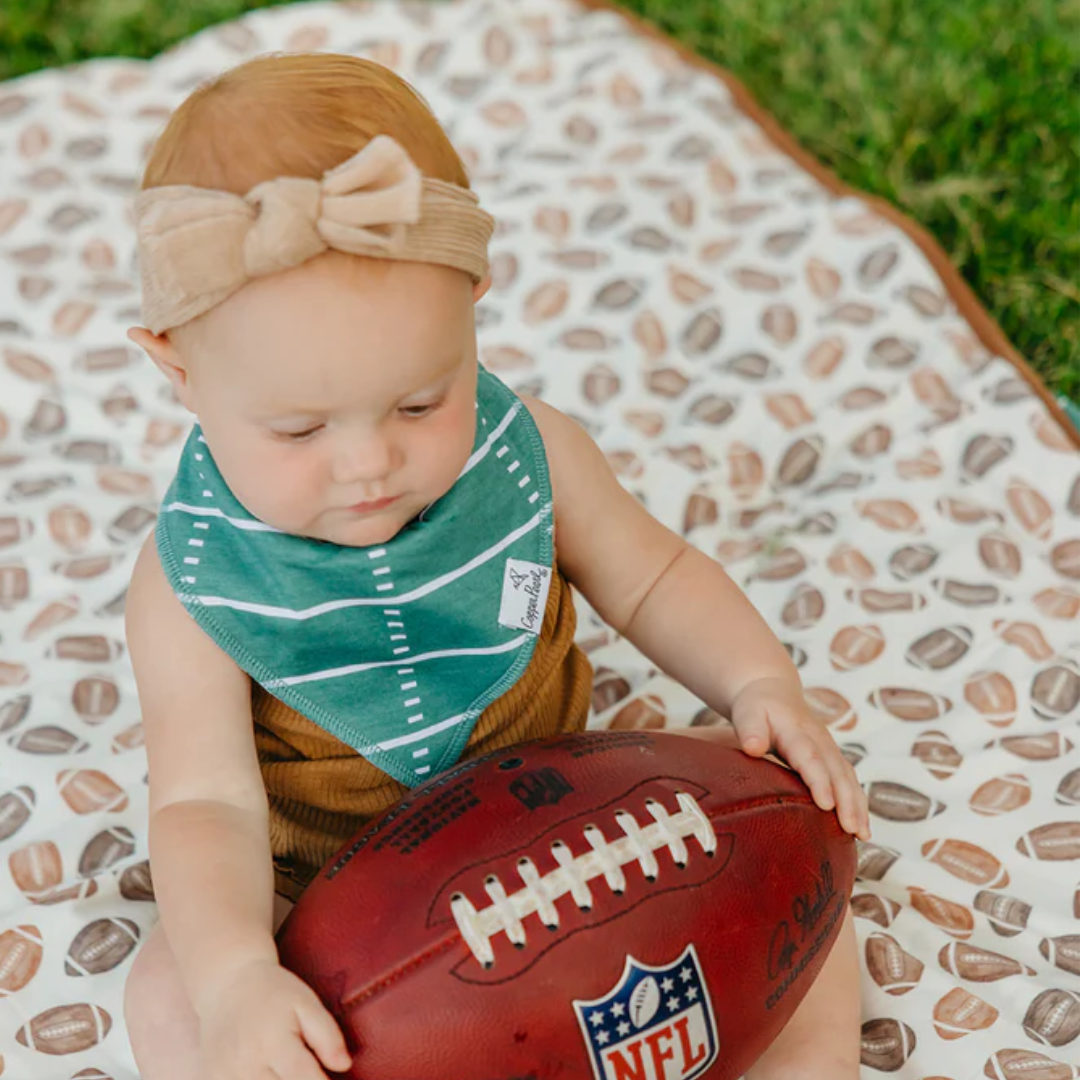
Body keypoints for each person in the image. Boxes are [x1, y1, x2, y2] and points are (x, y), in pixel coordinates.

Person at [122, 51, 871, 1080]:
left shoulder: (529, 461)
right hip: (334, 905)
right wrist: (240, 975)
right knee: (173, 994)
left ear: (475, 301)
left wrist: (759, 684)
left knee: (794, 877)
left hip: (563, 824)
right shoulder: (195, 583)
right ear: (177, 369)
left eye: (422, 401)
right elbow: (204, 801)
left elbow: (654, 576)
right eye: (297, 430)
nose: (369, 463)